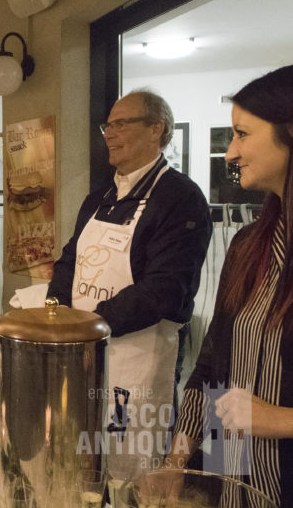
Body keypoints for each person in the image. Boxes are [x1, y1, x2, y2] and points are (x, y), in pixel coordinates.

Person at [46, 90, 212, 476]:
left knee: (128, 465)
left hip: (136, 357)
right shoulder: (99, 197)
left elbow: (165, 289)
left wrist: (88, 325)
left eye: (122, 124)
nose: (109, 133)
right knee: (81, 452)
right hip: (82, 349)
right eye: (109, 125)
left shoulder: (180, 197)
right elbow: (70, 258)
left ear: (157, 129)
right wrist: (56, 311)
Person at [162, 65, 293, 507]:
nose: (230, 154)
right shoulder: (248, 245)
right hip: (233, 484)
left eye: (242, 134)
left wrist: (282, 420)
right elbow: (213, 363)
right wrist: (175, 462)